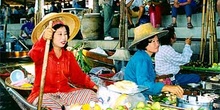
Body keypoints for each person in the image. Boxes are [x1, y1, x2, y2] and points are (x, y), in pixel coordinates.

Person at [27, 13, 99, 110]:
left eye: (65, 34)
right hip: (44, 94)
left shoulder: (68, 55)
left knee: (90, 95)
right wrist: (43, 39)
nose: (64, 37)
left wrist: (94, 86)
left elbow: (79, 77)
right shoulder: (43, 53)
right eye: (60, 34)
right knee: (49, 103)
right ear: (51, 36)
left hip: (65, 93)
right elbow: (33, 55)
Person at [124, 23, 184, 100]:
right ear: (144, 43)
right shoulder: (142, 59)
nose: (157, 44)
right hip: (135, 98)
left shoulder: (143, 56)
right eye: (153, 41)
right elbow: (143, 85)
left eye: (157, 41)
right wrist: (166, 87)